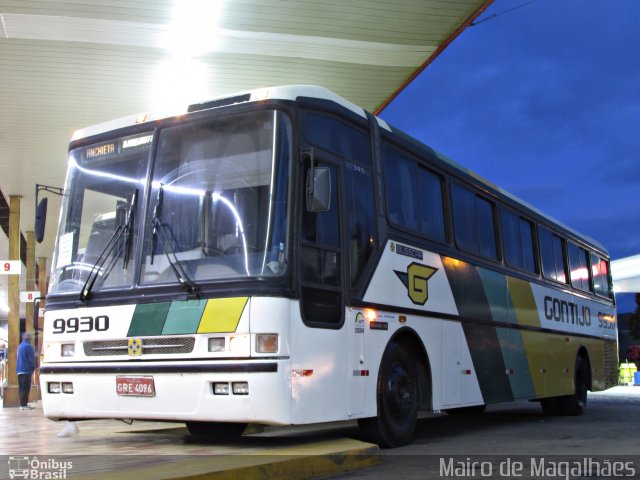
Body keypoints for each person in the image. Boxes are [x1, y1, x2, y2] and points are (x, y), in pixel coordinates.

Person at [16, 333, 36, 410]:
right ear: (30, 339)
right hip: (26, 370)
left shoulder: (20, 346)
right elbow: (31, 359)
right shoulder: (29, 347)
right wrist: (33, 368)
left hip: (19, 370)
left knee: (21, 388)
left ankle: (22, 404)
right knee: (26, 388)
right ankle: (24, 405)